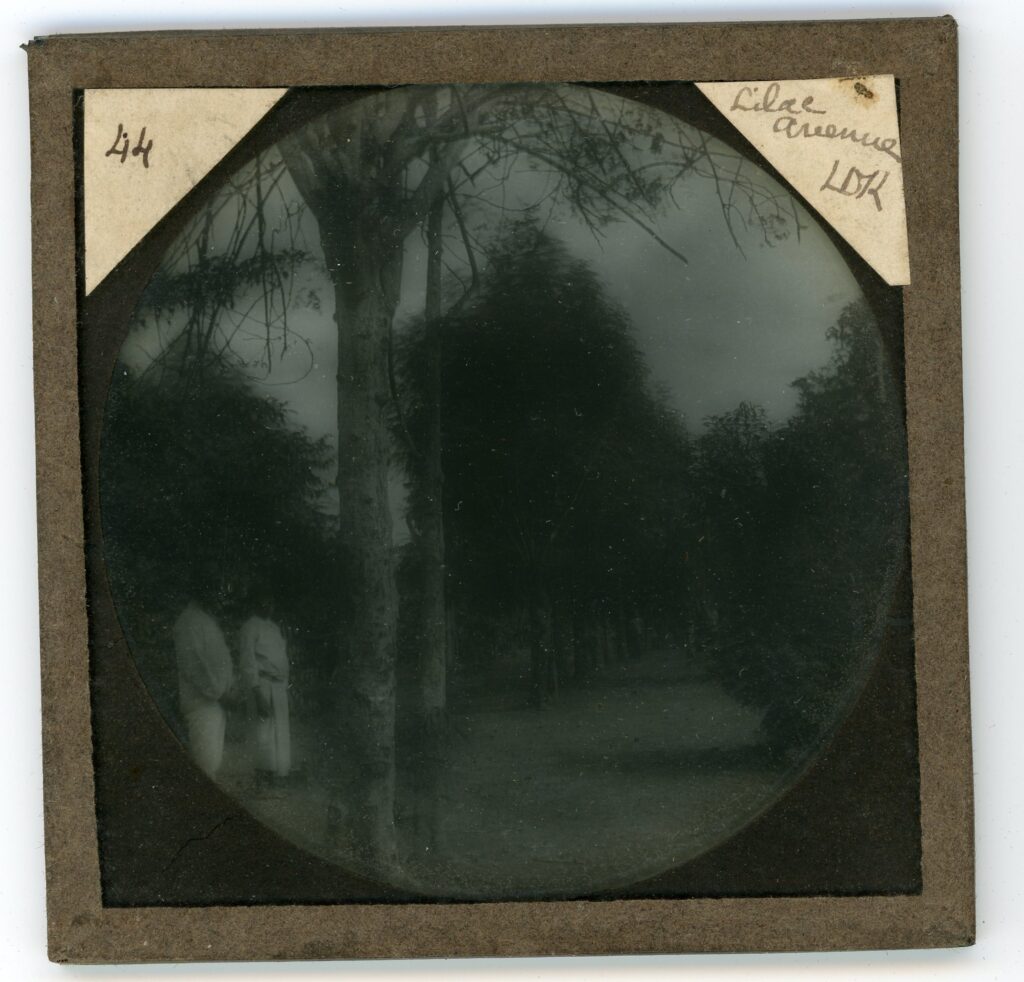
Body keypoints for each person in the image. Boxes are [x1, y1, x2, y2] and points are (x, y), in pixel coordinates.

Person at [172, 584, 234, 779]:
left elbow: (220, 661)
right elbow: (196, 667)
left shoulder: (205, 620)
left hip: (215, 703)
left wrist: (229, 687)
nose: (218, 595)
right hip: (202, 704)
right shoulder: (189, 622)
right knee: (205, 767)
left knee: (212, 765)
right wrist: (220, 692)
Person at [238, 593, 291, 785]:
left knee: (281, 730)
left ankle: (279, 775)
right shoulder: (250, 627)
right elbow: (247, 661)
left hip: (278, 685)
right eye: (263, 600)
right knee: (263, 729)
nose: (268, 605)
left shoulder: (275, 628)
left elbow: (282, 658)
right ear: (255, 603)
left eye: (271, 601)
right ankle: (262, 774)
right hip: (262, 684)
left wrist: (284, 684)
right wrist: (256, 690)